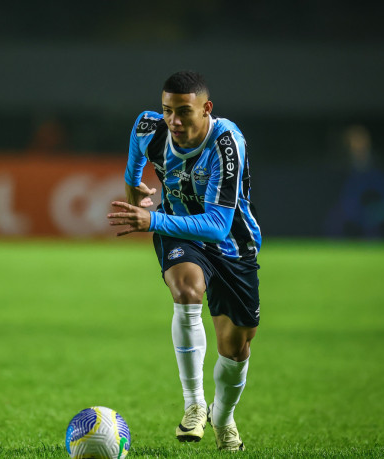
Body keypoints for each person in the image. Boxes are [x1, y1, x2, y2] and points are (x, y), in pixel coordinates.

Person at [107, 70, 262, 451]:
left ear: (206, 109)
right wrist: (137, 198)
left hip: (230, 243)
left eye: (183, 112)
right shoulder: (148, 128)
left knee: (237, 348)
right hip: (177, 231)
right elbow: (132, 173)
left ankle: (222, 418)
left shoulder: (227, 143)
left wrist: (151, 218)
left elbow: (218, 223)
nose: (173, 121)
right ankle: (193, 404)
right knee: (187, 290)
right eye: (167, 111)